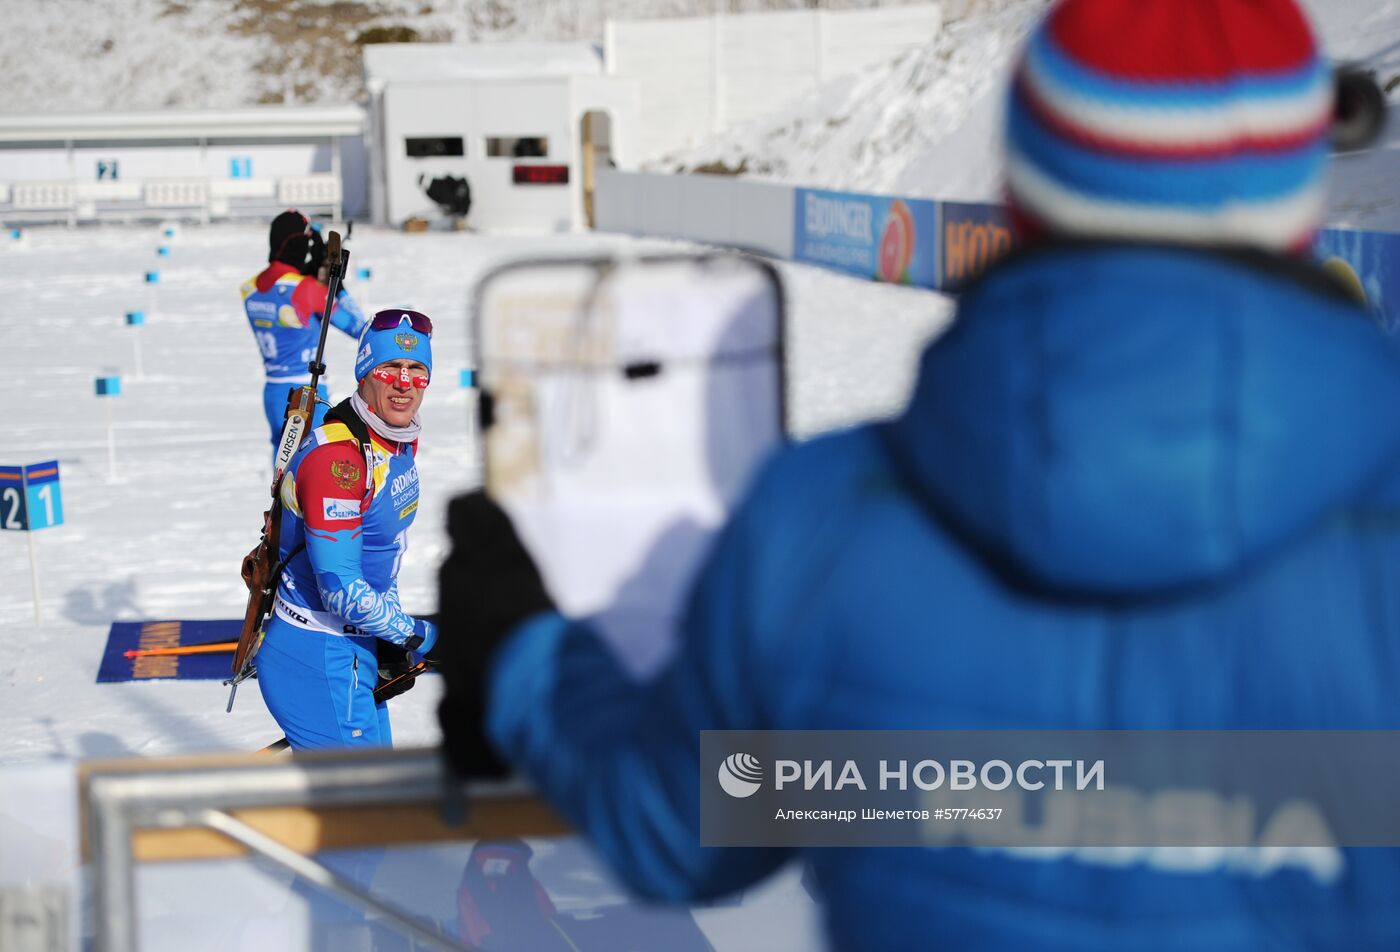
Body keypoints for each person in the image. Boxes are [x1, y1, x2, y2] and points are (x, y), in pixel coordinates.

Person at [435, 0, 1400, 948]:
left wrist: (522, 642)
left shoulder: (820, 523)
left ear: (1021, 193)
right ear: (1303, 196)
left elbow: (674, 827)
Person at [256, 309, 438, 750]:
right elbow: (338, 586)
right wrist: (419, 634)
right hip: (317, 653)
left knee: (382, 800)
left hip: (355, 647)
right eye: (389, 367)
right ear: (364, 372)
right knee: (360, 814)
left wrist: (389, 636)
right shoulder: (339, 461)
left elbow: (384, 551)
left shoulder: (394, 440)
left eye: (416, 370)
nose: (403, 383)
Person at [241, 209, 368, 465]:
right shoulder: (306, 289)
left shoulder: (250, 288)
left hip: (274, 391)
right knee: (314, 468)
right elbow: (360, 328)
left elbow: (283, 298)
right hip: (307, 394)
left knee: (281, 476)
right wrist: (338, 289)